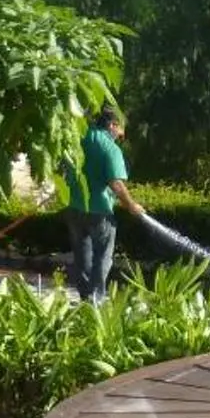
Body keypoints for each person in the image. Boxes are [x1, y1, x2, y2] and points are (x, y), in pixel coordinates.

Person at [62, 108, 146, 302]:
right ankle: (96, 300)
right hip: (99, 210)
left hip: (74, 206)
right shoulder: (110, 148)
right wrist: (131, 205)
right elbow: (116, 183)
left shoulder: (79, 137)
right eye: (121, 130)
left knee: (81, 256)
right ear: (112, 125)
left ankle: (85, 298)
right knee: (102, 256)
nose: (121, 136)